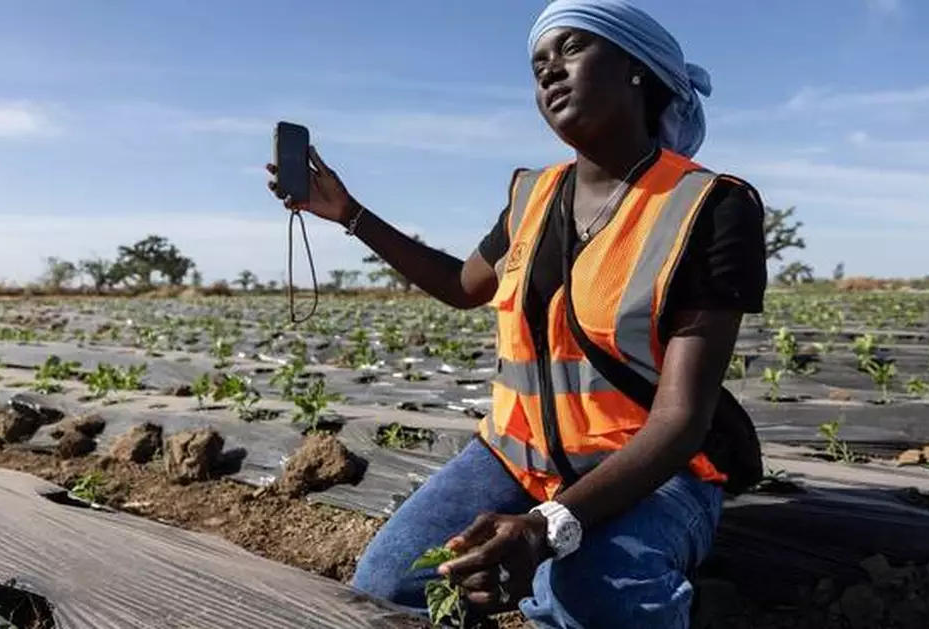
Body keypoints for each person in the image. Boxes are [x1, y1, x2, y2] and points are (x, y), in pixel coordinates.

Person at [266, 1, 767, 627]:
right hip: (515, 458)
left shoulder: (711, 207)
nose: (551, 71)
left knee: (580, 589)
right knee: (390, 582)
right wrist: (349, 214)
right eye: (539, 64)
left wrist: (548, 524)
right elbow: (459, 284)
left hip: (651, 471)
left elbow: (682, 420)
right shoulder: (532, 196)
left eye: (574, 49)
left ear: (638, 70)